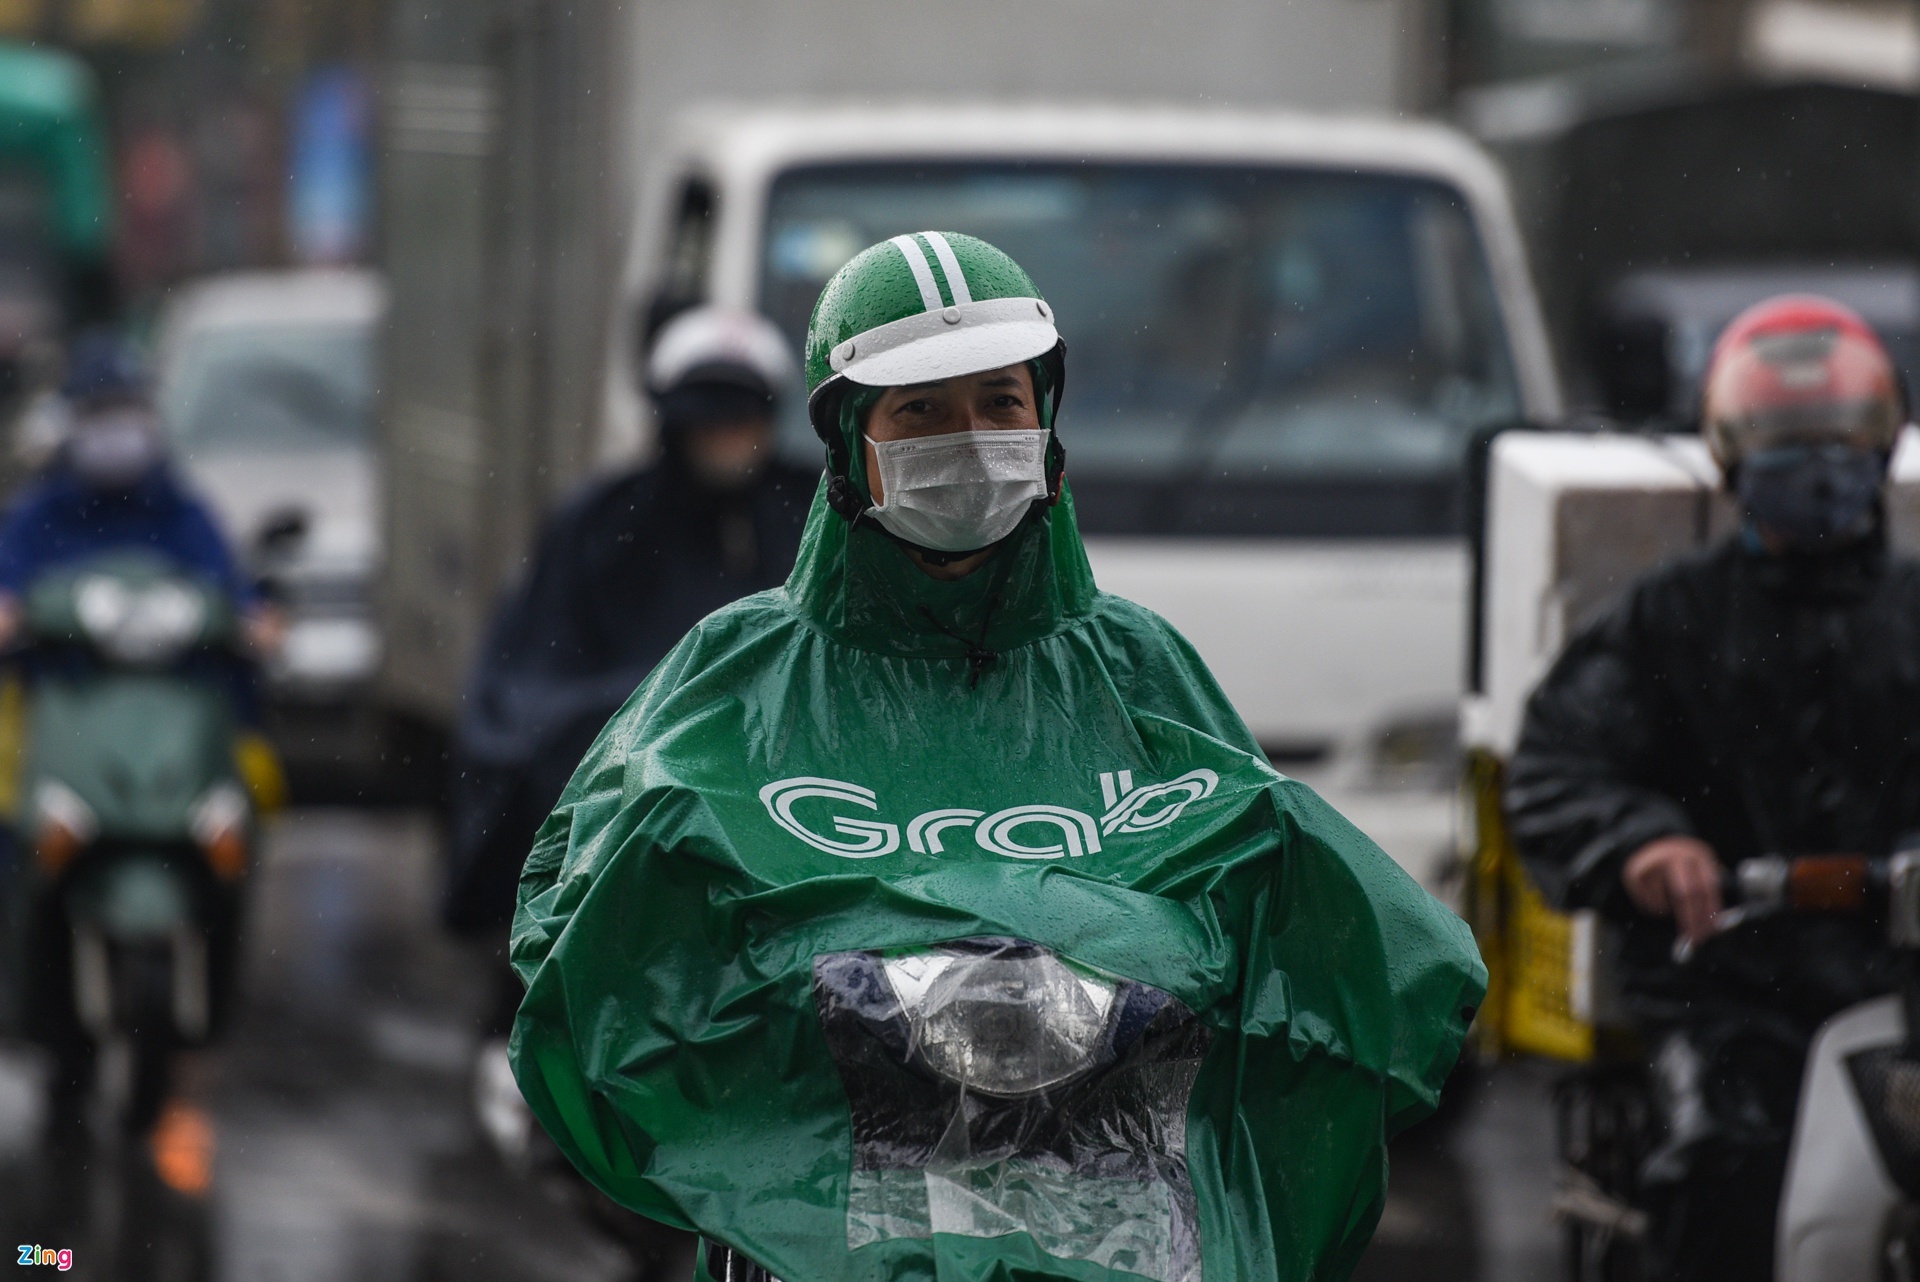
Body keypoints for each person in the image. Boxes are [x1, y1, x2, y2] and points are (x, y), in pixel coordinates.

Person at [508, 232, 1485, 1281]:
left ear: (1046, 419)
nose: (970, 443)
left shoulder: (1137, 667)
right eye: (922, 411)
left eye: (999, 403)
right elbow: (602, 947)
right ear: (847, 441)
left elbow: (1286, 925)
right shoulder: (739, 673)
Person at [1505, 295, 1920, 1281]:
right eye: (1787, 443)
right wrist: (1644, 842)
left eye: (1839, 438)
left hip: (1902, 976)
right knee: (1728, 1168)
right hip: (1731, 984)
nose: (1817, 466)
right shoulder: (1671, 619)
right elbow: (1557, 764)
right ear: (1733, 455)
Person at [444, 305, 816, 974]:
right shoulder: (602, 523)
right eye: (711, 422)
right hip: (637, 794)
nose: (729, 441)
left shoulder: (816, 508)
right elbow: (535, 676)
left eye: (742, 420)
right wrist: (666, 718)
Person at [0, 330, 280, 655]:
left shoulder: (179, 510)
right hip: (68, 680)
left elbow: (238, 595)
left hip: (179, 680)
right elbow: (8, 589)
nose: (115, 425)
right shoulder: (43, 515)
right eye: (98, 410)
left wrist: (255, 617)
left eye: (127, 407)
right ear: (71, 421)